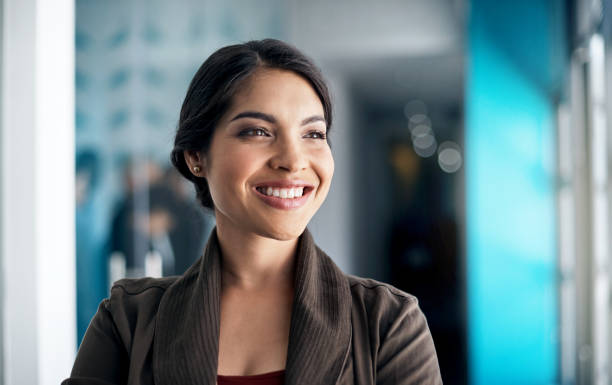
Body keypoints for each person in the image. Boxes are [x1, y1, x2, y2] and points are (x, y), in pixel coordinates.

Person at [63, 39, 442, 385]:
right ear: (196, 156)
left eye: (313, 134)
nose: (294, 161)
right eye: (258, 131)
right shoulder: (128, 322)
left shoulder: (388, 323)